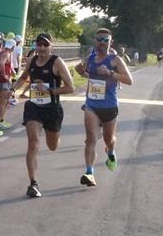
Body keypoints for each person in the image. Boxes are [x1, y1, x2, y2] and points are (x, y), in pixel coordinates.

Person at [13, 33, 75, 198]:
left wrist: (49, 90)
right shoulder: (32, 60)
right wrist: (12, 89)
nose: (41, 48)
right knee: (33, 142)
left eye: (45, 45)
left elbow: (70, 87)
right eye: (39, 44)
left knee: (52, 145)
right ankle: (33, 183)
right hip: (34, 107)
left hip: (52, 109)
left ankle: (55, 136)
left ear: (51, 46)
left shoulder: (57, 62)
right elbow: (24, 77)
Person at [75, 28, 133, 187]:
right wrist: (81, 71)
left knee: (108, 139)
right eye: (99, 39)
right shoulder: (90, 58)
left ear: (110, 42)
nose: (101, 42)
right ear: (94, 41)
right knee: (91, 140)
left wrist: (110, 73)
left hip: (109, 106)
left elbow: (129, 80)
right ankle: (89, 173)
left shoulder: (115, 60)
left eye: (105, 39)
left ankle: (111, 151)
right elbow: (82, 70)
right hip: (92, 105)